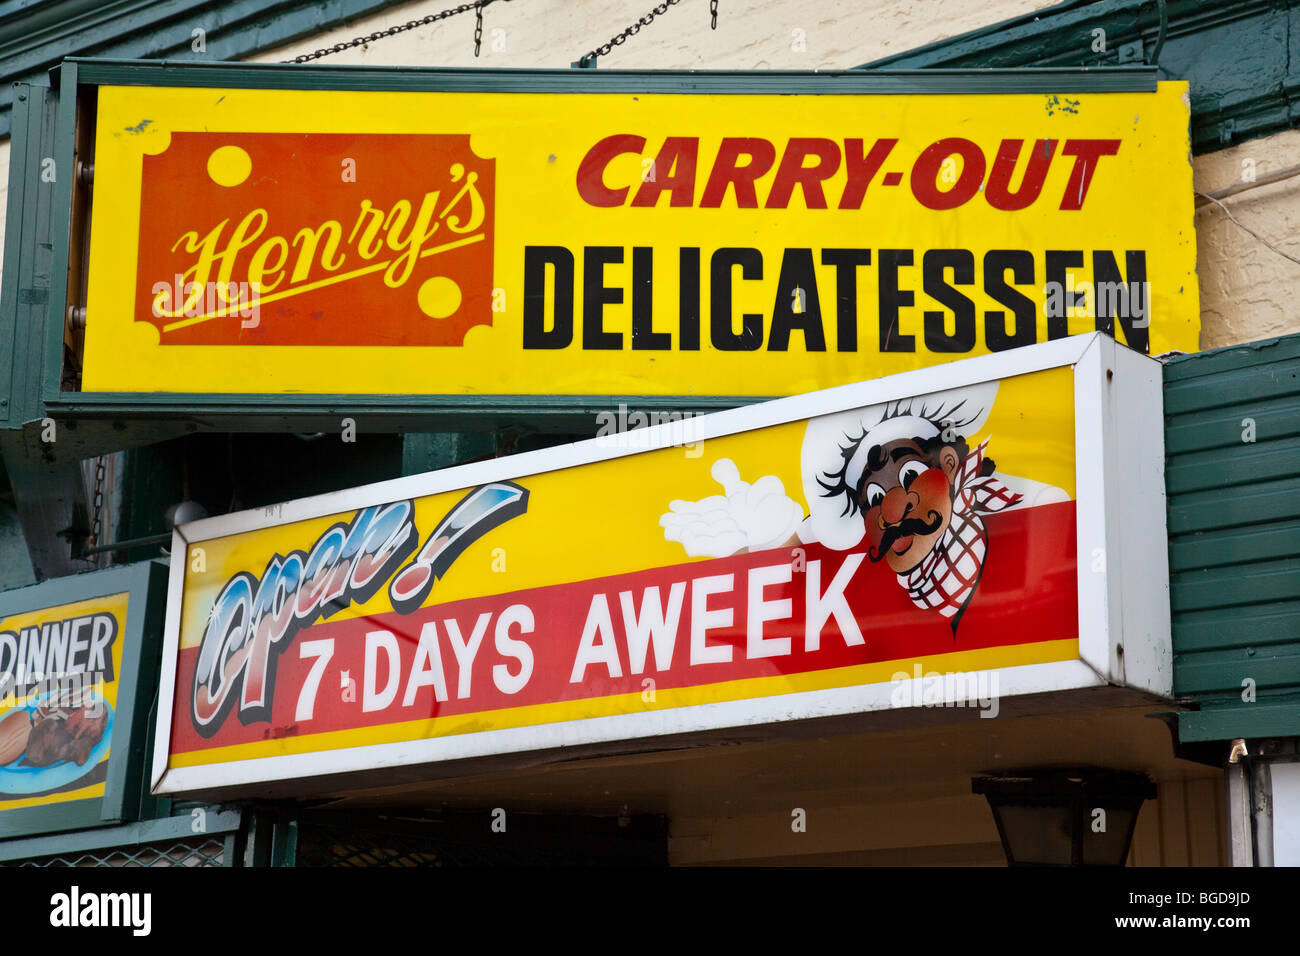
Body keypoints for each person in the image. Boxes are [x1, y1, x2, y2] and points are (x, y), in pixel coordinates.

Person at [660, 381, 1068, 632]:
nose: (894, 509)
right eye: (874, 498)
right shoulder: (861, 534)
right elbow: (775, 555)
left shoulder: (1017, 501)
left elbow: (1056, 532)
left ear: (946, 463)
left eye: (909, 476)